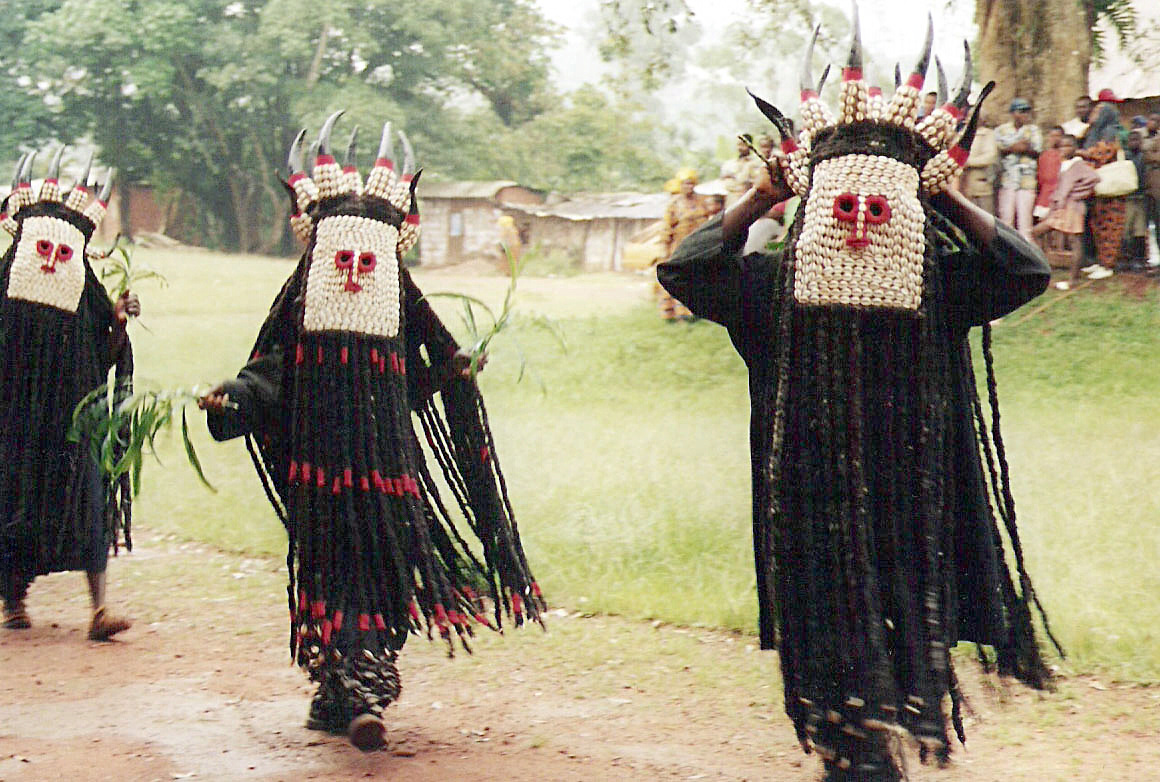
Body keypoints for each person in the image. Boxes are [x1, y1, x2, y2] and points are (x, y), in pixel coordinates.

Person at [660, 22, 1057, 782]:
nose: (858, 214)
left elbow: (1026, 270)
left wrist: (945, 199)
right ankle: (855, 749)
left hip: (913, 514)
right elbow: (684, 270)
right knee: (833, 650)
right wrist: (764, 194)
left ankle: (870, 745)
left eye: (881, 203)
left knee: (901, 642)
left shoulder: (937, 288)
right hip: (813, 519)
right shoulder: (775, 292)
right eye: (843, 200)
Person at [199, 117, 544, 751]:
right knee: (335, 575)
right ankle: (359, 693)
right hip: (320, 475)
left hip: (388, 473)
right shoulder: (303, 302)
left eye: (364, 260)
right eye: (341, 259)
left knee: (382, 576)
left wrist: (454, 369)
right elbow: (271, 374)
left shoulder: (397, 302)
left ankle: (344, 691)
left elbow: (415, 377)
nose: (353, 271)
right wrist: (233, 398)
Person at [1, 150, 138, 641]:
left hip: (71, 421)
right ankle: (13, 600)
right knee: (11, 501)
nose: (51, 259)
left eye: (61, 252)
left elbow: (101, 351)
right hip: (12, 420)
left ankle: (99, 609)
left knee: (88, 499)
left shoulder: (83, 286)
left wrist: (117, 321)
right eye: (42, 249)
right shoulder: (7, 281)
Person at [1031, 134, 1101, 289]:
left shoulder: (1078, 165)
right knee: (1036, 232)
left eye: (1068, 146)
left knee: (1075, 242)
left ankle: (1072, 279)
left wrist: (1076, 194)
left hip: (1073, 208)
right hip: (1061, 208)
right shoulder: (1065, 165)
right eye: (1062, 146)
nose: (1064, 149)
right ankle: (1044, 268)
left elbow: (1094, 178)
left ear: (1075, 148)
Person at [1081, 92, 1128, 270]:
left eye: (1097, 112)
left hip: (1111, 188)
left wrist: (1081, 153)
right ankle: (1100, 261)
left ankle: (1108, 265)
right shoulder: (1094, 132)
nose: (1093, 114)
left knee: (1110, 226)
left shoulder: (1110, 132)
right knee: (1098, 225)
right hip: (1099, 187)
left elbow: (1103, 153)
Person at [656, 168, 708, 320]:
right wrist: (664, 247)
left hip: (696, 247)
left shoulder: (702, 202)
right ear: (680, 185)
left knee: (695, 278)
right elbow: (666, 227)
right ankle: (672, 313)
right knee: (675, 279)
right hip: (678, 246)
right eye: (685, 184)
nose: (689, 187)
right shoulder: (674, 204)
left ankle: (693, 312)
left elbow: (707, 222)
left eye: (691, 183)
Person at [995, 97, 1043, 240]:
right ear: (1013, 113)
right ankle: (1006, 251)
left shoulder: (1033, 130)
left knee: (1025, 223)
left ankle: (1026, 252)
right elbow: (999, 149)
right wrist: (1015, 147)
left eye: (1026, 111)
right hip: (1008, 180)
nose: (1024, 114)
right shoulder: (1002, 130)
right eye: (1021, 111)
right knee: (1006, 220)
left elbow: (1037, 150)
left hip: (1027, 181)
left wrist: (1019, 148)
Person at [960, 116, 999, 214]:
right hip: (963, 186)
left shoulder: (987, 134)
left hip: (981, 186)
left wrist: (968, 162)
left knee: (984, 215)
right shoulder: (962, 133)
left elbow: (990, 156)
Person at [1034, 125, 1064, 222]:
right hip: (1045, 194)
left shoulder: (1065, 155)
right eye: (1052, 136)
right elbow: (1040, 177)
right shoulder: (1044, 155)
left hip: (1060, 194)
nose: (1055, 139)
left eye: (1057, 136)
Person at [1141, 113, 1160, 258]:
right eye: (1150, 119)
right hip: (1148, 188)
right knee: (1149, 225)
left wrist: (1150, 155)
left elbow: (1150, 156)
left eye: (1155, 120)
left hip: (1156, 188)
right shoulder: (1143, 136)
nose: (1151, 122)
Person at [720, 135, 759, 207]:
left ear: (749, 146)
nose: (740, 148)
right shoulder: (730, 163)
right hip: (731, 199)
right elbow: (724, 182)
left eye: (743, 145)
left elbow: (751, 183)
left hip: (747, 199)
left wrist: (736, 179)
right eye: (738, 145)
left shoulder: (755, 164)